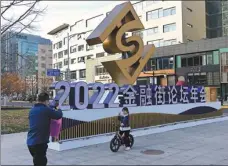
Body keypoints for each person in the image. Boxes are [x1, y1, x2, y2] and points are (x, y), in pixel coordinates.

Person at [27, 92, 63, 166]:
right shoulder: (46, 110)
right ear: (46, 101)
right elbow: (58, 115)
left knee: (37, 161)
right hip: (39, 143)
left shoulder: (32, 110)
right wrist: (59, 108)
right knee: (41, 163)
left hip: (30, 142)